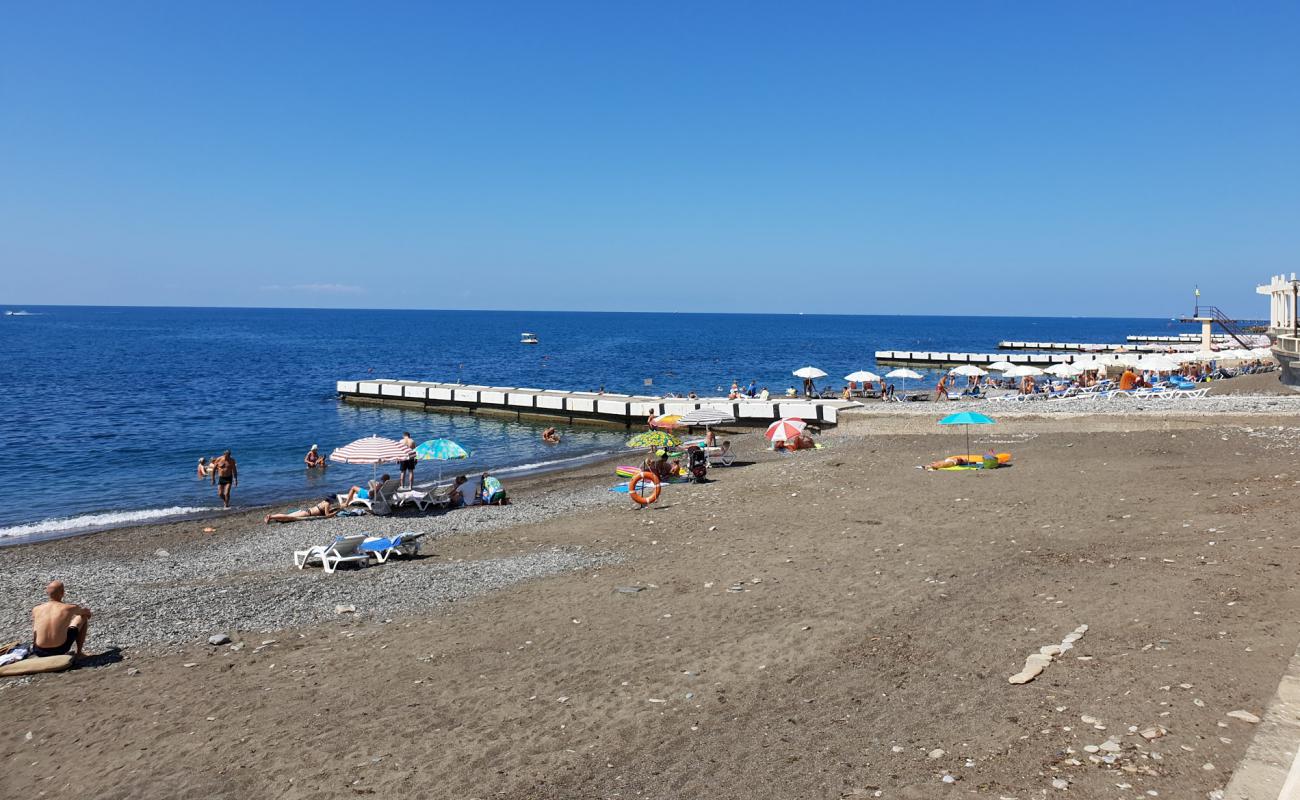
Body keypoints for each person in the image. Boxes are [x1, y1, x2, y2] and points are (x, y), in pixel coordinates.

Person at [32, 581, 91, 659]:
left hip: (39, 651)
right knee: (83, 617)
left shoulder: (36, 609)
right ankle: (79, 653)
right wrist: (87, 613)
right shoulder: (69, 608)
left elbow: (35, 631)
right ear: (63, 592)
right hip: (60, 649)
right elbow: (86, 613)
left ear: (47, 593)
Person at [265, 497, 337, 524]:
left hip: (306, 511)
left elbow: (324, 511)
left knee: (287, 517)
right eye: (334, 500)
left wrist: (334, 509)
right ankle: (271, 516)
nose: (334, 502)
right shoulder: (327, 504)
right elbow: (327, 515)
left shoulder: (324, 502)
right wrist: (335, 513)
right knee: (287, 518)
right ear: (332, 499)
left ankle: (273, 518)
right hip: (307, 514)